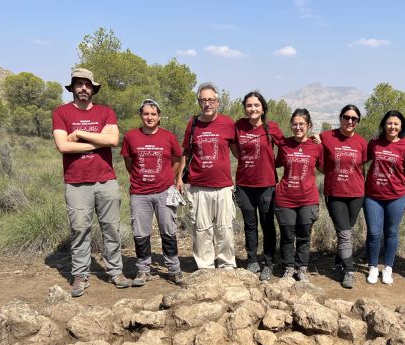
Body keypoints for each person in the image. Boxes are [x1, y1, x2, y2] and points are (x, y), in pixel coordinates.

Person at [52, 68, 131, 297]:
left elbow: (113, 139)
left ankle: (115, 271)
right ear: (73, 87)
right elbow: (64, 146)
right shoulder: (62, 113)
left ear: (93, 88)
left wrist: (79, 134)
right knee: (79, 229)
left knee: (112, 228)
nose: (83, 88)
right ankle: (80, 275)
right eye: (79, 84)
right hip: (76, 182)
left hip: (106, 180)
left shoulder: (106, 112)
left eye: (87, 84)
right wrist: (98, 142)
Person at [121, 99, 184, 287]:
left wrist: (166, 178)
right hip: (139, 193)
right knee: (140, 233)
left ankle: (174, 270)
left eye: (153, 114)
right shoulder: (131, 137)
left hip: (164, 191)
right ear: (141, 116)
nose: (149, 117)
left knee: (168, 231)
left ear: (159, 116)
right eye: (146, 114)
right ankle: (143, 270)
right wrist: (142, 178)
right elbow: (129, 163)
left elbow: (177, 160)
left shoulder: (168, 137)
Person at [176, 82, 237, 269]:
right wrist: (179, 178)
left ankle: (226, 263)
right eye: (203, 100)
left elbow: (237, 152)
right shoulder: (193, 124)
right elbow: (185, 152)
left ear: (218, 102)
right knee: (202, 229)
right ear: (199, 102)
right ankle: (206, 266)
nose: (207, 104)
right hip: (199, 185)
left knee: (225, 228)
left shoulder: (228, 123)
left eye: (211, 100)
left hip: (223, 186)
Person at [235, 91, 285, 281]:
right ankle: (252, 260)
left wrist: (275, 162)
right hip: (244, 184)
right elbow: (234, 147)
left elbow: (286, 146)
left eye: (256, 105)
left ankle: (269, 262)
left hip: (266, 184)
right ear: (245, 108)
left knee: (267, 224)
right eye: (249, 105)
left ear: (263, 108)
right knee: (250, 224)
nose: (253, 109)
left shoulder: (271, 127)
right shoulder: (239, 125)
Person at [364, 110, 405, 285]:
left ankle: (387, 268)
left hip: (396, 197)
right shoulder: (375, 144)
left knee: (391, 232)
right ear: (384, 125)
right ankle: (372, 266)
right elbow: (360, 160)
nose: (392, 126)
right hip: (373, 196)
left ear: (401, 127)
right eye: (389, 123)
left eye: (396, 124)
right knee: (373, 232)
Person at [274, 108, 324, 282]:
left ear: (309, 126)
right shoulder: (284, 145)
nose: (297, 127)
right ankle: (288, 268)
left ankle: (301, 268)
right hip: (285, 198)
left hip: (308, 199)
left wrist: (322, 142)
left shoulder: (316, 146)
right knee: (287, 235)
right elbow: (276, 163)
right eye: (294, 124)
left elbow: (324, 168)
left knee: (304, 235)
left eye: (301, 124)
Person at [321, 104, 367, 289]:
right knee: (345, 233)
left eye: (354, 119)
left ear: (357, 122)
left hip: (356, 193)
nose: (350, 121)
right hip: (335, 193)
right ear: (340, 118)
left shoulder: (362, 143)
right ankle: (349, 270)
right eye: (346, 117)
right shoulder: (327, 137)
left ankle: (338, 264)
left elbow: (361, 165)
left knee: (346, 232)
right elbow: (317, 157)